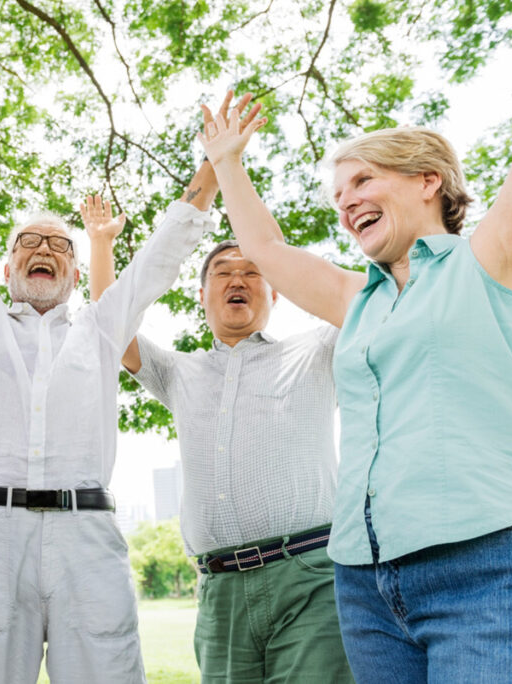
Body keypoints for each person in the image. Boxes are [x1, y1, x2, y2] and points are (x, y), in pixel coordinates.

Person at [0, 51, 223, 683]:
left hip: (87, 540)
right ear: (7, 269)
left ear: (75, 273)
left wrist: (216, 163)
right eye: (28, 242)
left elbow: (164, 252)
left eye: (59, 244)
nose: (44, 249)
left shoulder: (101, 328)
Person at [200, 75, 512, 683]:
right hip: (365, 584)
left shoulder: (494, 259)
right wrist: (227, 162)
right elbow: (266, 247)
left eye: (362, 181)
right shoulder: (356, 298)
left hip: (492, 565)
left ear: (428, 181)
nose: (346, 203)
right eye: (339, 196)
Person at [86, 146, 351, 679]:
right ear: (203, 293)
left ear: (276, 291)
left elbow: (342, 292)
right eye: (224, 272)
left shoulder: (318, 350)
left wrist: (231, 170)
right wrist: (100, 245)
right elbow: (110, 324)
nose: (238, 280)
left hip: (310, 577)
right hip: (220, 589)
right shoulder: (177, 371)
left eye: (253, 272)